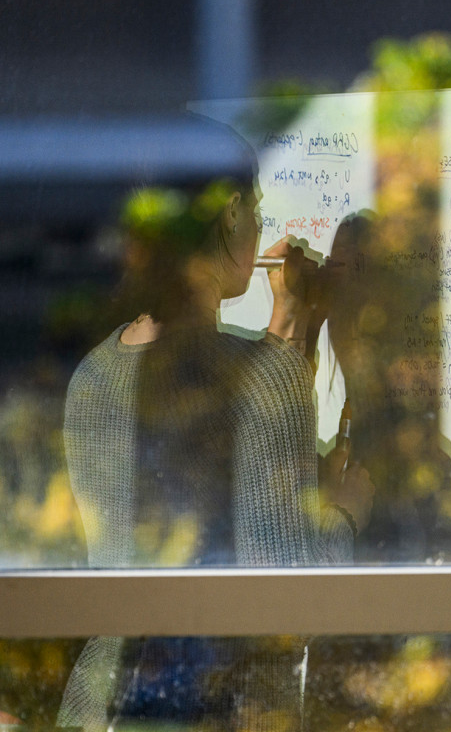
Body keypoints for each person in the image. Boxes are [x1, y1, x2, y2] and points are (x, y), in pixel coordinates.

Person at [56, 118, 373, 730]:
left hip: (97, 708)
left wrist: (291, 328)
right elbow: (288, 605)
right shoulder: (264, 376)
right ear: (231, 216)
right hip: (223, 713)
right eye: (256, 210)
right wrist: (347, 514)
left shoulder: (92, 375)